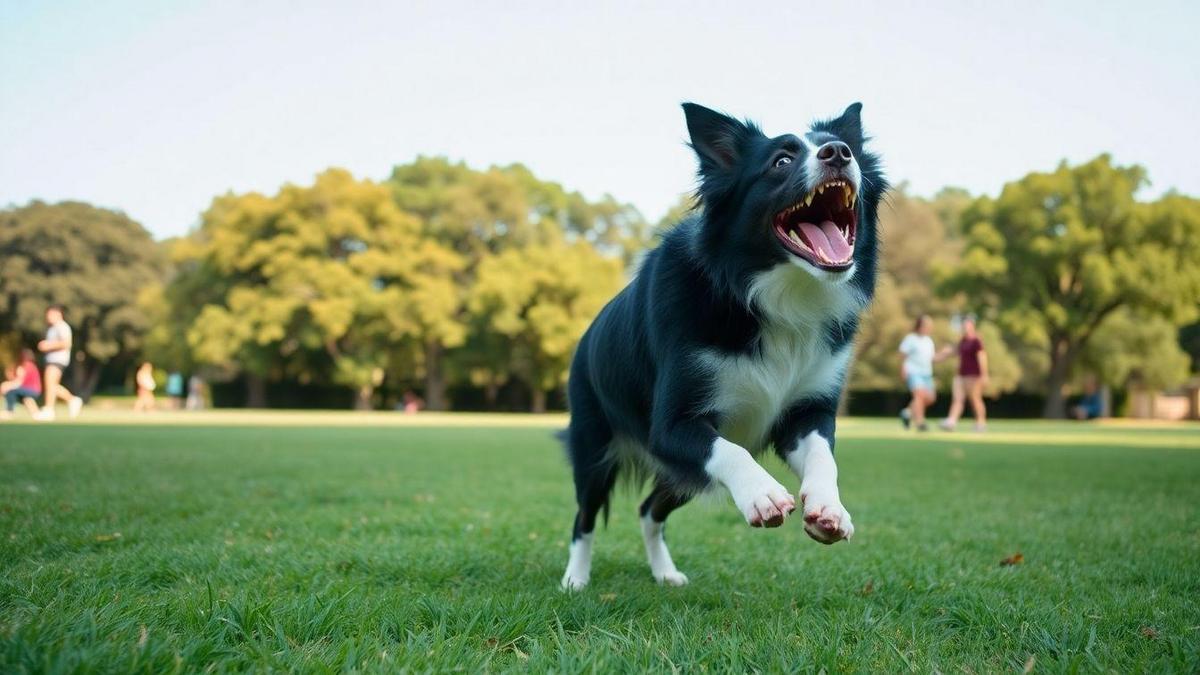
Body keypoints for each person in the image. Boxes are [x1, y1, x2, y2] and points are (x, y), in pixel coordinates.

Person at [898, 314, 952, 432]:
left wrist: (944, 353)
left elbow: (933, 359)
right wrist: (903, 369)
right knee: (919, 396)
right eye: (928, 325)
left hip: (926, 374)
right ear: (920, 326)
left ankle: (907, 412)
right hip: (913, 372)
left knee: (930, 399)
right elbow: (902, 355)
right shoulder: (910, 339)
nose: (930, 328)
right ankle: (920, 423)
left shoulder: (928, 341)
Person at [940, 315, 989, 432]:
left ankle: (981, 423)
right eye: (964, 326)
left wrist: (984, 374)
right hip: (961, 375)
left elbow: (982, 356)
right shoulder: (963, 341)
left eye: (967, 325)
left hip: (974, 375)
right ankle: (951, 421)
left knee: (975, 399)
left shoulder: (976, 341)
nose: (965, 328)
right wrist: (942, 354)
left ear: (972, 326)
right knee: (957, 399)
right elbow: (956, 352)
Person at [36, 305, 83, 421]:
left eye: (50, 314)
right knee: (51, 385)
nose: (48, 317)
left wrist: (47, 345)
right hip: (52, 359)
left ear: (58, 314)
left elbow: (66, 343)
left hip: (58, 359)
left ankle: (49, 409)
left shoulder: (62, 327)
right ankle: (72, 400)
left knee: (50, 384)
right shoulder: (52, 328)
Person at [1, 349, 42, 419]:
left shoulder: (26, 366)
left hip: (32, 390)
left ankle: (9, 411)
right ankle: (36, 414)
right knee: (27, 399)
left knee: (11, 392)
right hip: (32, 390)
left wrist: (7, 385)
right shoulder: (31, 366)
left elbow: (18, 383)